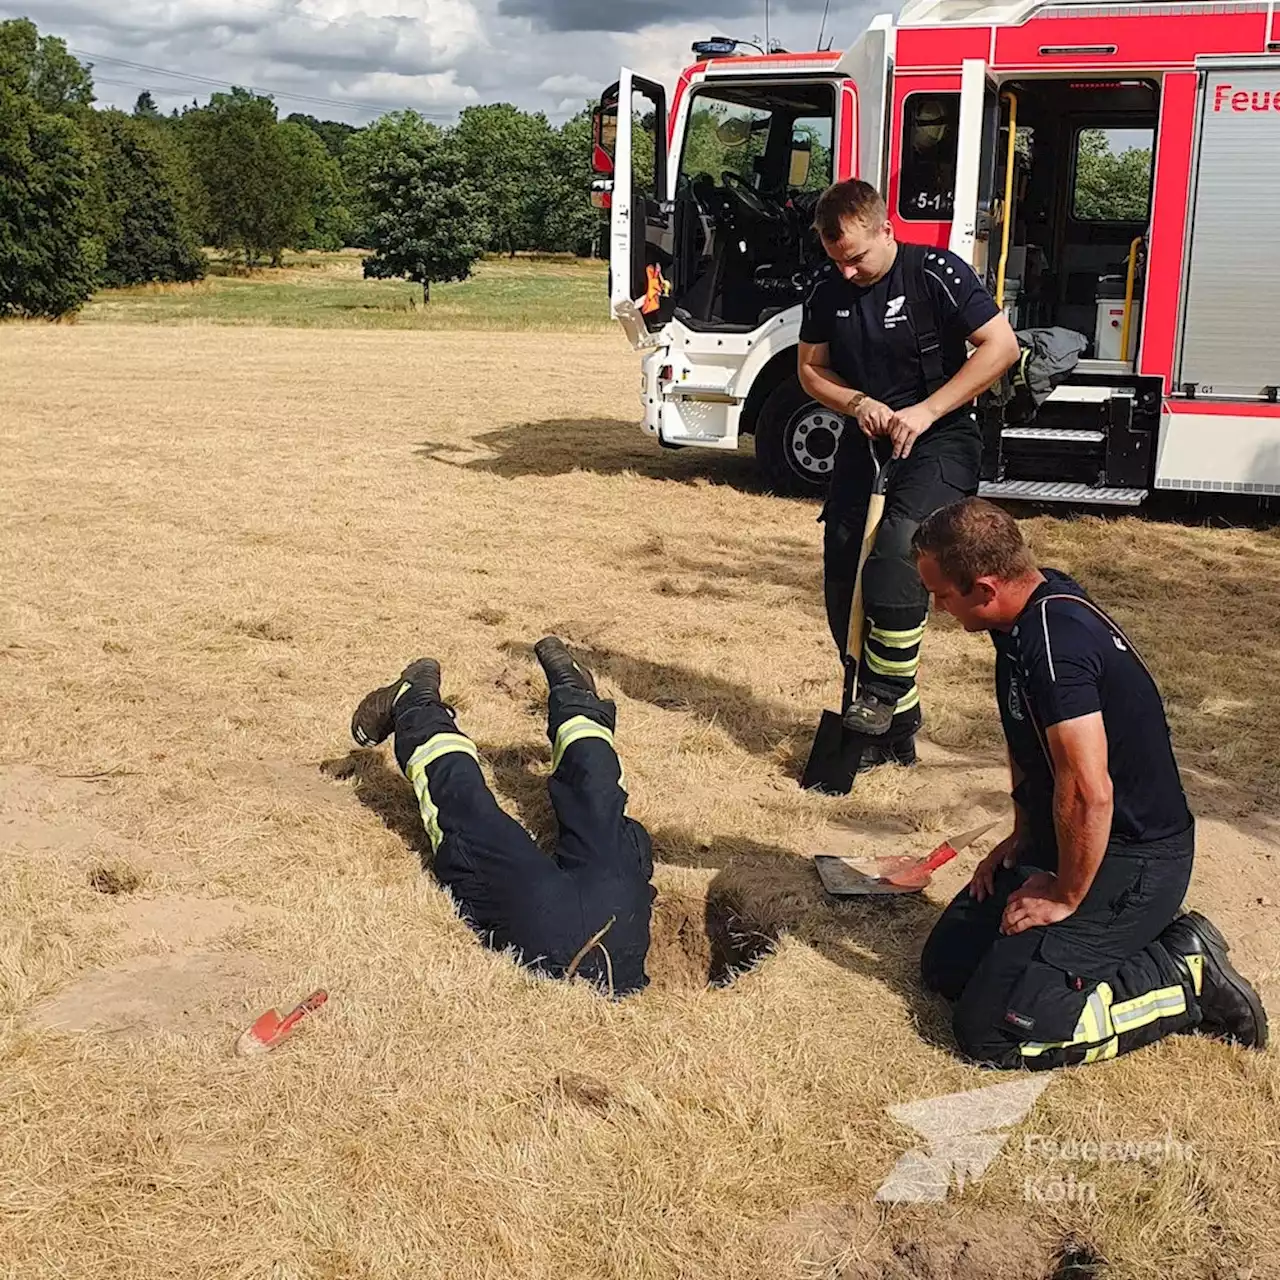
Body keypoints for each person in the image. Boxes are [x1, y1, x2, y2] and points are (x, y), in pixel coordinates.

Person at [913, 498, 1267, 1069]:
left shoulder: (1057, 643)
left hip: (1133, 857)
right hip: (1069, 839)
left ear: (983, 588)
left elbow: (1087, 791)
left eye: (941, 594)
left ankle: (1182, 976)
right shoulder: (1023, 616)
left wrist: (1065, 895)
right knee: (947, 967)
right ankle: (1096, 946)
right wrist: (1022, 839)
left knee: (992, 1034)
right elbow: (1031, 750)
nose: (936, 607)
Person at [798, 179, 1020, 764]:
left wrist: (925, 411)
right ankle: (897, 721)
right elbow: (810, 369)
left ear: (885, 231)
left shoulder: (936, 274)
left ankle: (882, 694)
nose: (846, 272)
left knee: (900, 548)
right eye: (835, 261)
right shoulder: (826, 287)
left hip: (941, 437)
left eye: (856, 258)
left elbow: (1000, 347)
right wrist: (856, 404)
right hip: (866, 440)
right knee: (845, 577)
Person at [349, 637, 655, 997]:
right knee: (471, 817)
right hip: (568, 940)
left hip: (610, 925)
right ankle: (415, 702)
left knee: (597, 803)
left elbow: (636, 843)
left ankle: (577, 700)